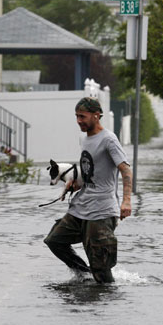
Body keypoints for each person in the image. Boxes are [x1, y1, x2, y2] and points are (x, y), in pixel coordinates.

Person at [44, 97, 132, 283]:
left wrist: (126, 201)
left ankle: (105, 301)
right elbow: (90, 169)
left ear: (96, 115)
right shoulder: (83, 138)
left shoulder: (109, 140)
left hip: (101, 212)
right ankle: (85, 275)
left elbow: (125, 170)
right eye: (76, 116)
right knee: (54, 241)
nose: (79, 121)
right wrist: (76, 182)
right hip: (81, 207)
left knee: (101, 271)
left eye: (82, 116)